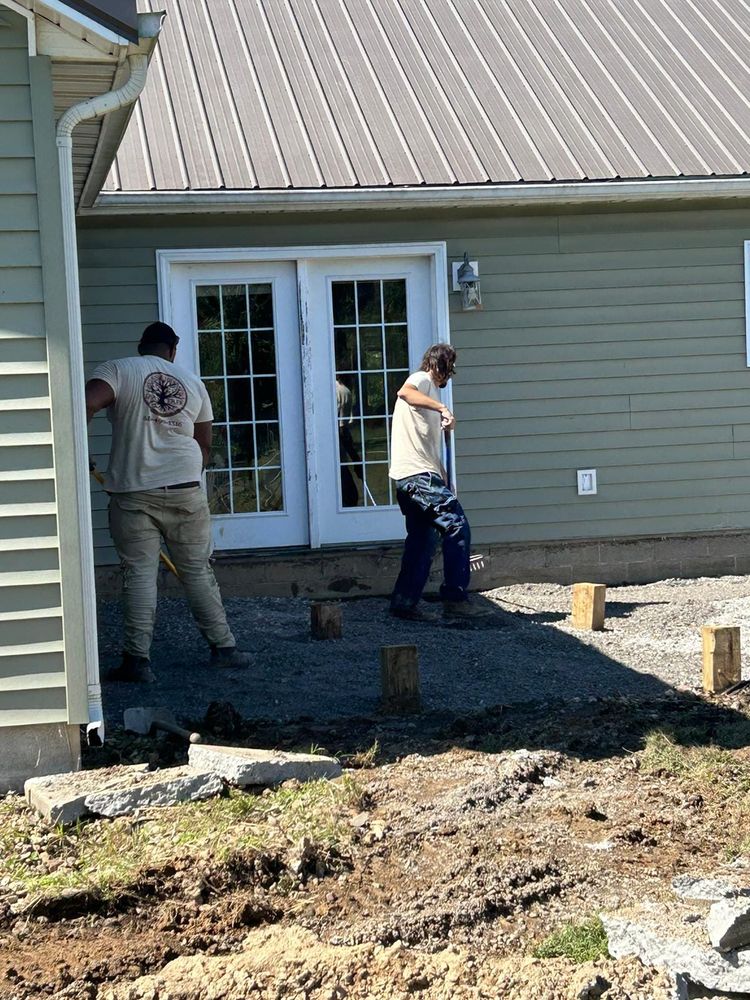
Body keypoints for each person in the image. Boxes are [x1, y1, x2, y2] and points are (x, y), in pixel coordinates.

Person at [85, 321, 250, 681]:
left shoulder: (118, 370)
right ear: (173, 351)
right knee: (197, 570)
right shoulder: (192, 382)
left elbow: (87, 403)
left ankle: (137, 662)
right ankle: (224, 648)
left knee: (139, 575)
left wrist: (79, 449)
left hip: (133, 491)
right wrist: (185, 473)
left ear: (140, 346)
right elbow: (204, 443)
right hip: (185, 489)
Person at [388, 343, 488, 621]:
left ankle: (404, 603)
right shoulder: (421, 380)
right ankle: (455, 599)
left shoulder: (429, 396)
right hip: (417, 476)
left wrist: (443, 477)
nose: (449, 375)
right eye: (449, 368)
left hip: (415, 476)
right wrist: (442, 407)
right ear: (440, 366)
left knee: (423, 541)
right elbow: (404, 392)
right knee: (457, 526)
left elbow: (426, 448)